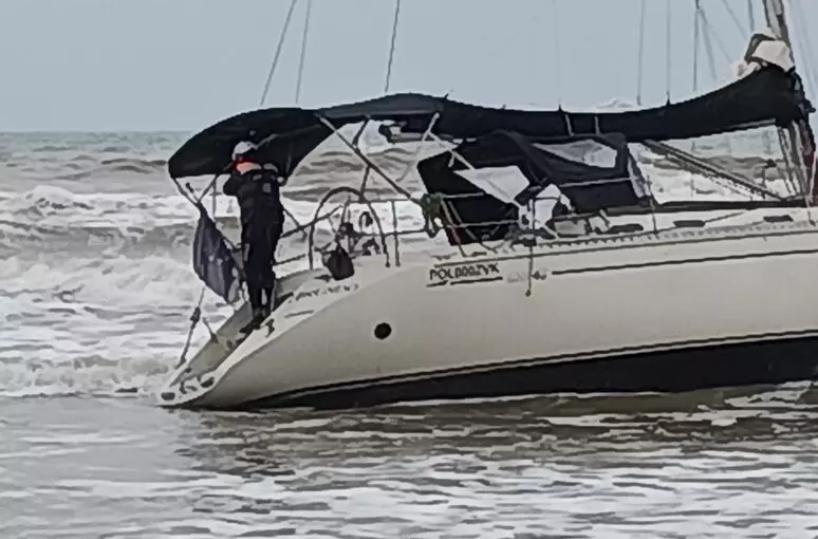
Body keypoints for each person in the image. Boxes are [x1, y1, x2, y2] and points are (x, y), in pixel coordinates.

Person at [223, 141, 284, 333]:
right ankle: (270, 301)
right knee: (265, 262)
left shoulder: (240, 171)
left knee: (251, 267)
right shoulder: (271, 172)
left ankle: (258, 312)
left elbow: (227, 188)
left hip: (255, 224)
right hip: (275, 223)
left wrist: (234, 168)